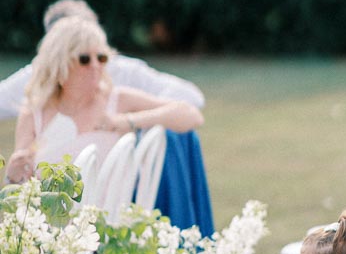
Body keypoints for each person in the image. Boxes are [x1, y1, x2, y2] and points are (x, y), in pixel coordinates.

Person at [6, 16, 203, 183]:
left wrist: (126, 122)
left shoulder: (118, 100)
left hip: (108, 222)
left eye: (101, 58)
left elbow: (191, 115)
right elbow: (20, 187)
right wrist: (13, 176)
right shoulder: (34, 113)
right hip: (51, 223)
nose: (95, 66)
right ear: (60, 64)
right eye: (84, 59)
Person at [0, 0, 205, 121]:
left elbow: (190, 98)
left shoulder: (121, 71)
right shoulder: (40, 76)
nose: (94, 65)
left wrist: (132, 120)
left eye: (98, 55)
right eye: (77, 53)